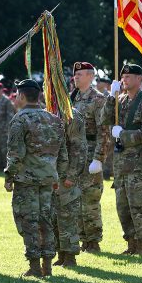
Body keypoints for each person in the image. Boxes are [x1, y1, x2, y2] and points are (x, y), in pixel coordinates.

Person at [4, 79, 68, 277]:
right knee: (46, 221)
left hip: (27, 180)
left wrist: (9, 176)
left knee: (28, 221)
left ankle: (34, 266)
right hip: (48, 179)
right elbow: (63, 153)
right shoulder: (54, 119)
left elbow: (15, 153)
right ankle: (47, 265)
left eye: (16, 95)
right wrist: (60, 175)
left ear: (21, 96)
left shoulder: (20, 119)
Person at [100, 63, 142, 255]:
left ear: (139, 79)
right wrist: (111, 96)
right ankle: (130, 244)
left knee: (139, 206)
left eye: (128, 77)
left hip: (140, 164)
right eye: (122, 77)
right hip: (121, 164)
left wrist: (123, 134)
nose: (124, 80)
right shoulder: (121, 100)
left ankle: (141, 246)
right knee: (123, 207)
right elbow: (103, 119)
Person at [71, 62, 110, 253]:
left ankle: (93, 241)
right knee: (76, 199)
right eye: (75, 74)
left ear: (90, 76)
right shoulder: (72, 97)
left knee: (91, 199)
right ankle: (82, 239)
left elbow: (105, 131)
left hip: (91, 151)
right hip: (74, 155)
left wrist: (99, 158)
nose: (76, 77)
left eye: (80, 74)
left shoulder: (98, 99)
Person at [52, 107, 88, 267]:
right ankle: (61, 253)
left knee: (68, 217)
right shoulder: (49, 111)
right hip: (52, 175)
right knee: (54, 218)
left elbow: (79, 148)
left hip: (66, 175)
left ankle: (71, 256)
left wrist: (72, 175)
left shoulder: (72, 114)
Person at [0, 82, 16, 170]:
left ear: (1, 89)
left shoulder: (7, 100)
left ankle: (6, 166)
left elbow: (9, 116)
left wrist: (6, 129)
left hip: (3, 129)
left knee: (4, 149)